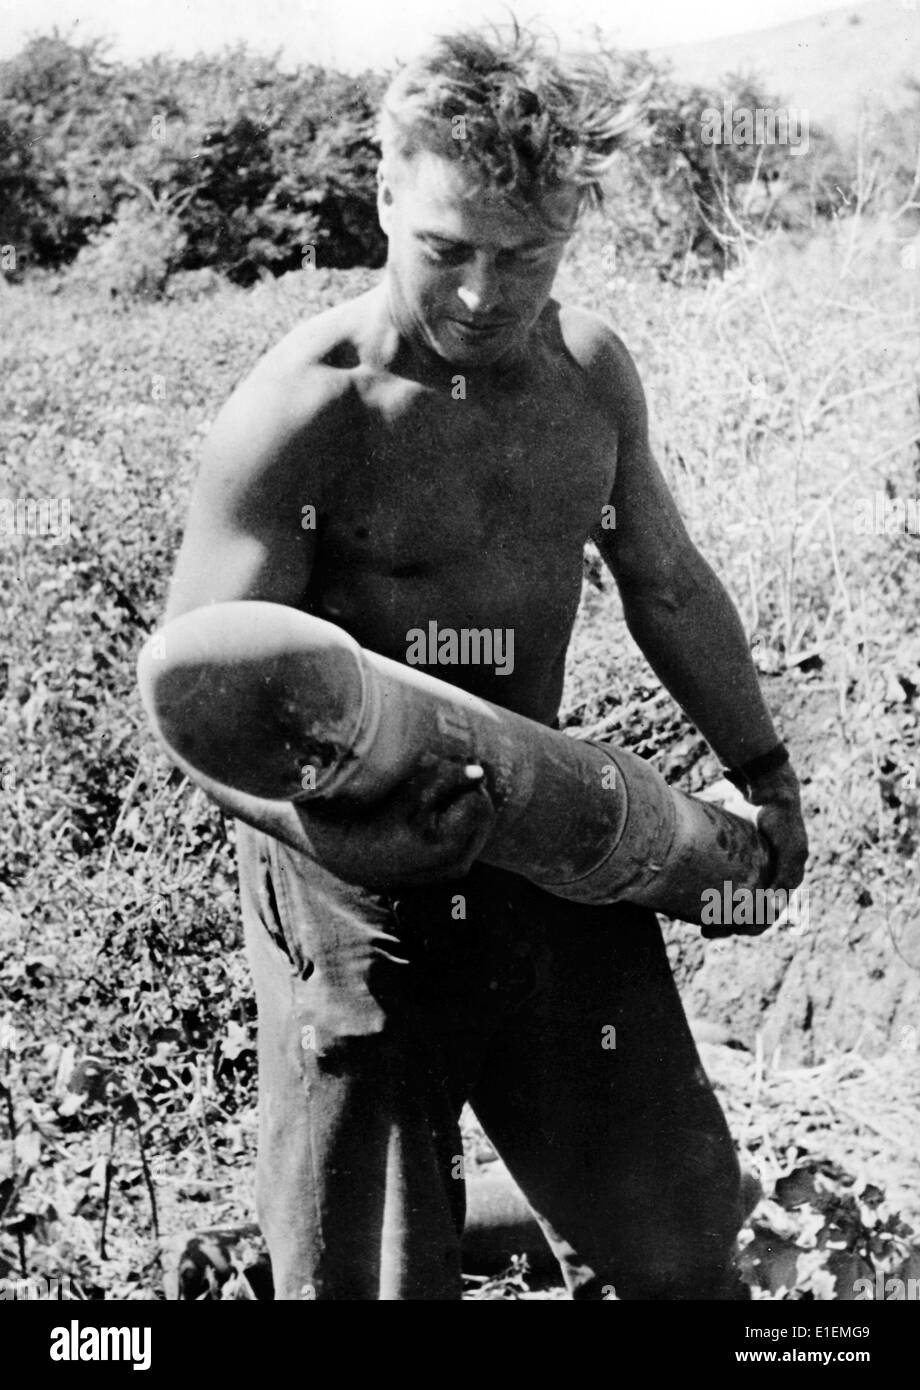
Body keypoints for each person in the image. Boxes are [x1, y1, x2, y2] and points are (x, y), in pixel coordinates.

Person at [160, 25, 808, 1300]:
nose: (477, 296)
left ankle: (508, 1212)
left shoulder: (585, 373)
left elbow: (662, 579)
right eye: (446, 249)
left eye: (525, 257)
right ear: (384, 190)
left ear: (573, 223)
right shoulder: (304, 413)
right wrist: (342, 836)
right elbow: (193, 707)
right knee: (369, 1278)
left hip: (542, 818)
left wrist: (763, 767)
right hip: (341, 871)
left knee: (676, 1231)